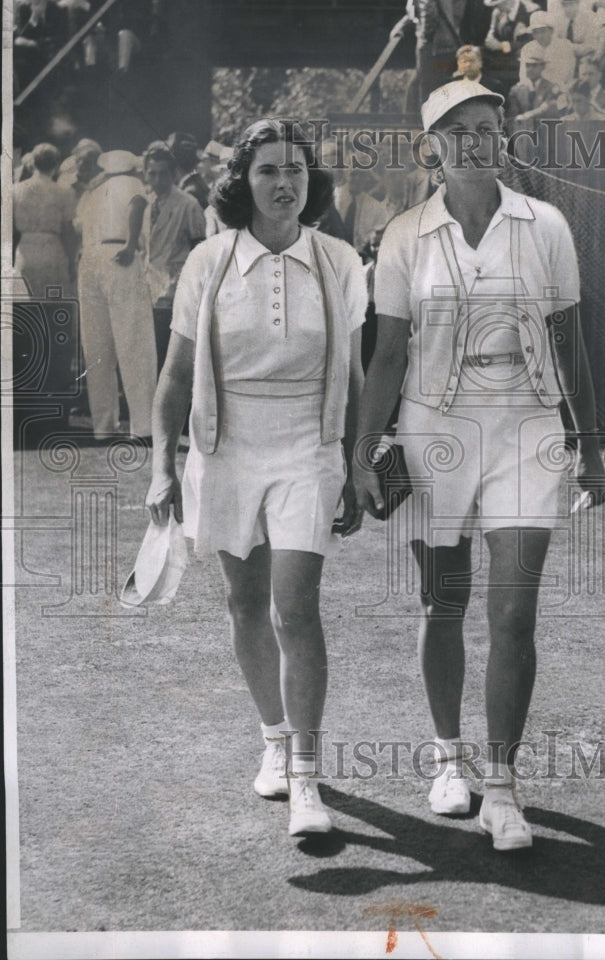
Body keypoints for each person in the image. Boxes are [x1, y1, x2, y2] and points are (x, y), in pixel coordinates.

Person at [354, 80, 605, 851]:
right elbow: (388, 354)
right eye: (457, 130)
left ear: (504, 137)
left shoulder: (546, 225)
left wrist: (590, 448)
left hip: (529, 428)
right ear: (431, 143)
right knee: (445, 604)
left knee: (514, 614)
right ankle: (446, 759)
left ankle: (502, 787)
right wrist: (364, 451)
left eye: (487, 128)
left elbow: (571, 344)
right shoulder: (404, 234)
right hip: (437, 432)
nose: (474, 140)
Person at [145, 119, 367, 837]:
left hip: (309, 446)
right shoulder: (208, 261)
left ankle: (307, 779)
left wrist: (358, 461)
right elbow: (175, 377)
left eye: (296, 171)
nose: (284, 184)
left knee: (295, 606)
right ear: (243, 182)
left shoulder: (339, 260)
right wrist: (162, 466)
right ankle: (273, 741)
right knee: (245, 607)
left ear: (312, 181)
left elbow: (356, 377)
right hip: (227, 447)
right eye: (269, 170)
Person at [74, 149, 157, 441]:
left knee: (97, 347)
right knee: (134, 342)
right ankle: (144, 426)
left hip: (90, 258)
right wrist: (132, 243)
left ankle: (104, 426)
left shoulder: (94, 192)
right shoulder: (132, 185)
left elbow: (78, 227)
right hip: (119, 254)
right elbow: (136, 207)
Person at [142, 143, 206, 371]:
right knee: (149, 356)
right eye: (152, 173)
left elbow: (200, 248)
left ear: (173, 173)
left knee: (170, 358)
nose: (157, 179)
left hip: (175, 288)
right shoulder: (145, 203)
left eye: (163, 173)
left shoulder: (188, 204)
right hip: (148, 287)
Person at [13, 143, 77, 299]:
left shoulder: (14, 190)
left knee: (26, 301)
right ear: (55, 165)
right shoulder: (64, 192)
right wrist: (72, 262)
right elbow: (68, 229)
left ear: (33, 163)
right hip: (52, 249)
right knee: (52, 300)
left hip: (25, 249)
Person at [519, 11, 577, 91]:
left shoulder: (565, 46)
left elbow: (566, 75)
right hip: (534, 90)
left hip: (557, 89)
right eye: (535, 32)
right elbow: (523, 75)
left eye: (543, 31)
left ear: (551, 31)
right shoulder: (527, 48)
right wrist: (530, 89)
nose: (539, 36)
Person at [506, 45, 561, 123]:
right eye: (527, 65)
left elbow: (547, 109)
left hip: (546, 131)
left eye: (534, 65)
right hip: (524, 132)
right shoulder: (516, 90)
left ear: (543, 67)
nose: (530, 69)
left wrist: (527, 115)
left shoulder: (551, 88)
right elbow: (513, 117)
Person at [553, 0, 599, 68]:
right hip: (562, 57)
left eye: (572, 4)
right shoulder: (557, 19)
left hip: (583, 57)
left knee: (587, 62)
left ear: (578, 4)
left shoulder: (589, 19)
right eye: (565, 5)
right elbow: (554, 43)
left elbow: (590, 45)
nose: (568, 8)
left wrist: (566, 47)